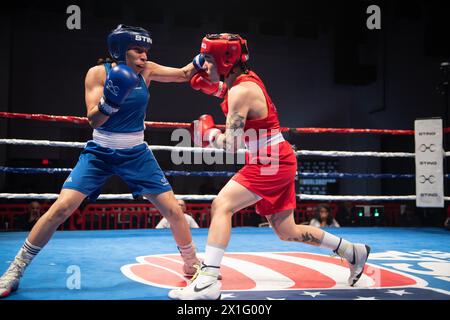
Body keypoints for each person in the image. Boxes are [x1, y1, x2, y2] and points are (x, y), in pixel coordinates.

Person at [0, 24, 206, 298]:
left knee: (174, 211)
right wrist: (111, 100)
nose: (144, 56)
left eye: (146, 50)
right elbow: (93, 119)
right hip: (100, 151)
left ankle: (192, 265)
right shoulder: (98, 73)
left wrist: (206, 54)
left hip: (136, 152)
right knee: (60, 209)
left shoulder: (147, 70)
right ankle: (15, 269)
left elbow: (183, 74)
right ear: (120, 50)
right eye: (138, 49)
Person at [169, 33, 371, 300]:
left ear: (224, 61)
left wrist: (208, 134)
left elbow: (230, 146)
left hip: (271, 160)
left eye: (207, 60)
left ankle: (207, 281)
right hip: (275, 158)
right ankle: (352, 251)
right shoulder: (243, 81)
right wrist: (213, 88)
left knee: (222, 205)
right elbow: (235, 96)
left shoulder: (241, 90)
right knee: (287, 231)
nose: (203, 67)